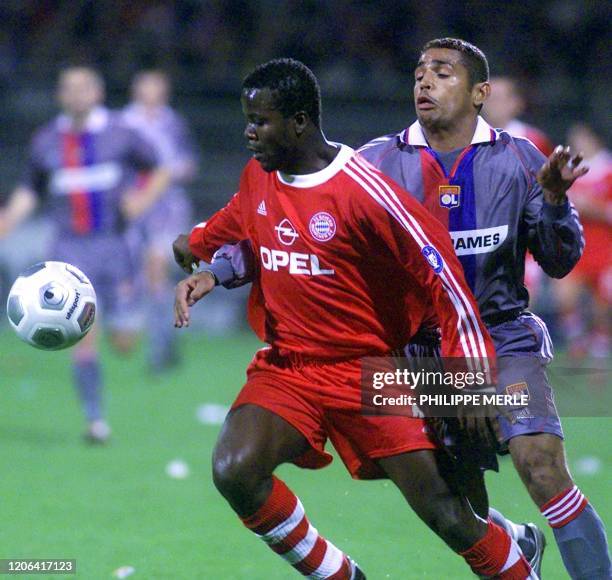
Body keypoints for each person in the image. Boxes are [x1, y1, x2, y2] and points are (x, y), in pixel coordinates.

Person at [173, 58, 537, 579]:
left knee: (448, 516)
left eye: (262, 121)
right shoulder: (261, 174)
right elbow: (240, 221)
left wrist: (468, 379)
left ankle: (520, 561)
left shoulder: (366, 192)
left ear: (299, 122)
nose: (250, 134)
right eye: (248, 121)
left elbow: (447, 282)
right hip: (289, 368)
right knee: (235, 469)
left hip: (368, 372)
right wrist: (199, 252)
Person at [357, 38, 610, 579]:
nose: (424, 81)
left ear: (479, 93)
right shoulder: (375, 162)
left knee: (540, 466)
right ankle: (517, 542)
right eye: (419, 72)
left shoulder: (519, 158)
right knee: (458, 512)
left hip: (501, 336)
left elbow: (561, 261)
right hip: (421, 354)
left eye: (442, 72)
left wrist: (557, 203)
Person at [0, 66, 170, 442]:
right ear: (61, 95)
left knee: (124, 344)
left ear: (98, 92)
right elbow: (31, 188)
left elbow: (160, 169)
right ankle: (95, 421)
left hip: (116, 246)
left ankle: (135, 317)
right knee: (80, 332)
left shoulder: (121, 134)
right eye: (68, 88)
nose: (76, 94)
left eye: (83, 88)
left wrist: (141, 200)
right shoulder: (46, 140)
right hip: (68, 250)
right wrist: (9, 218)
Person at [122, 69, 198, 373]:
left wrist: (164, 172)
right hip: (134, 205)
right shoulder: (125, 122)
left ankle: (161, 345)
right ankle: (164, 338)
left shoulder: (172, 123)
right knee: (141, 276)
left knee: (156, 268)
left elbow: (188, 164)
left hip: (166, 207)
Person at [554, 122, 612, 360]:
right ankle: (577, 341)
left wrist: (593, 207)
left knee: (602, 310)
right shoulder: (567, 170)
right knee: (564, 299)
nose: (577, 143)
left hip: (605, 250)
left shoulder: (608, 169)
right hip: (575, 247)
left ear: (595, 139)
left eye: (582, 137)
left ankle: (599, 358)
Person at [483, 76, 553, 156]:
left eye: (497, 99)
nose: (492, 104)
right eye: (487, 98)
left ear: (515, 103)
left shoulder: (533, 140)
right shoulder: (470, 138)